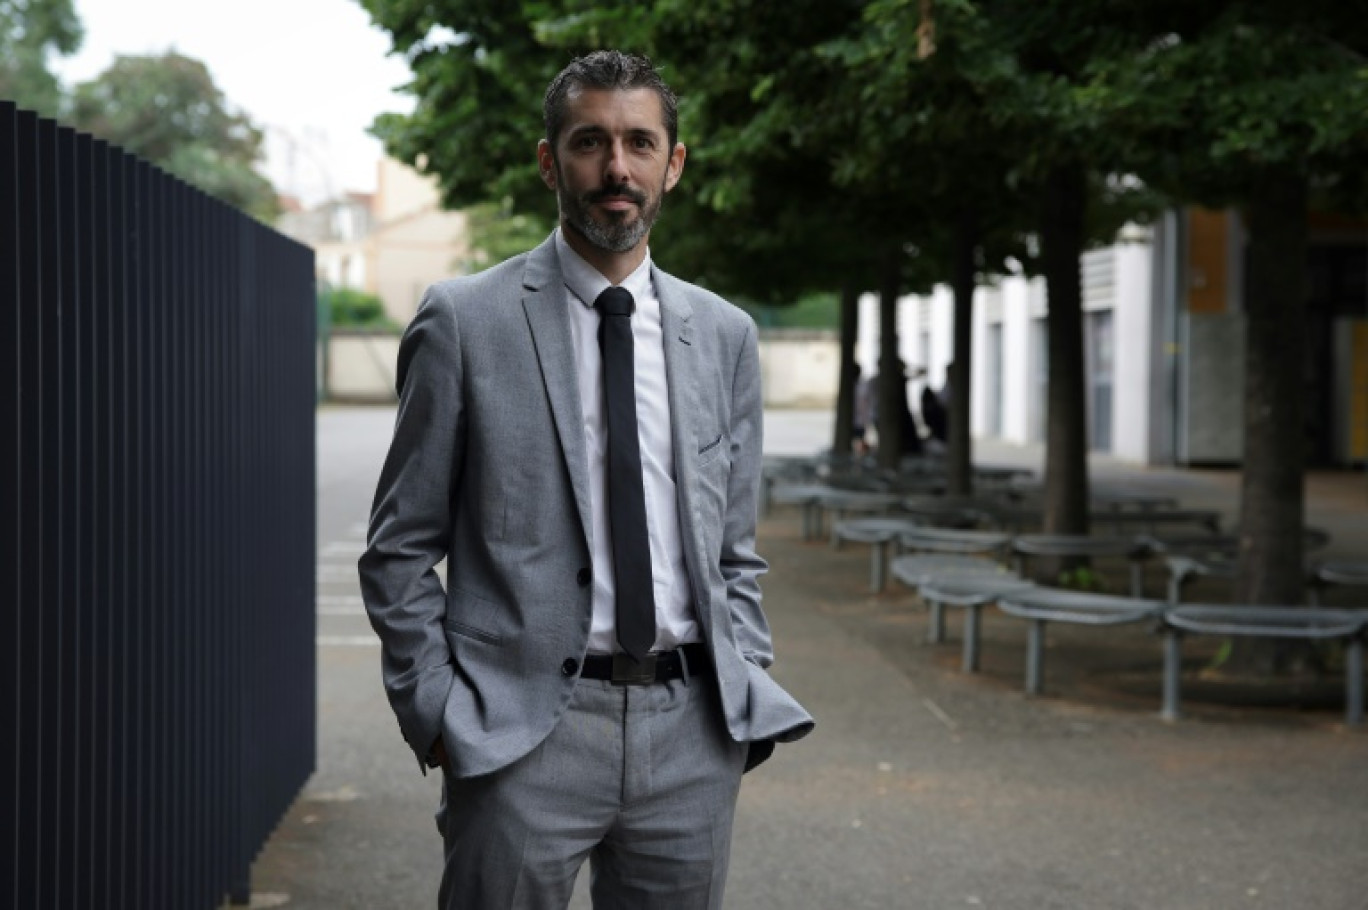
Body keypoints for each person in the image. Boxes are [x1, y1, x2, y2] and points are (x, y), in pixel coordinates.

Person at [358, 50, 813, 910]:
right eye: (589, 142)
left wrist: (744, 668)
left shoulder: (723, 336)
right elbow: (398, 550)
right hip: (518, 736)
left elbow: (732, 551)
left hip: (691, 736)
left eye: (641, 143)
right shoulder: (464, 321)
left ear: (673, 164)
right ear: (548, 160)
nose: (616, 168)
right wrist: (440, 714)